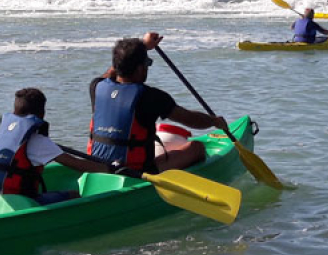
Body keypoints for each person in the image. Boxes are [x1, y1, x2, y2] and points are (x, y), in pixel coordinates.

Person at [87, 32, 226, 174]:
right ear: (140, 68)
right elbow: (191, 120)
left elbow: (112, 71)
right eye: (147, 63)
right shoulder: (151, 97)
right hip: (136, 172)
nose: (147, 67)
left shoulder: (96, 87)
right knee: (197, 148)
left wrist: (142, 47)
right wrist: (214, 121)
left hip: (97, 166)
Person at [0, 87, 113, 205]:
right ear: (42, 114)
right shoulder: (37, 141)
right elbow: (76, 164)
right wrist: (108, 169)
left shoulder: (1, 134)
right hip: (18, 201)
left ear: (14, 111)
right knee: (74, 195)